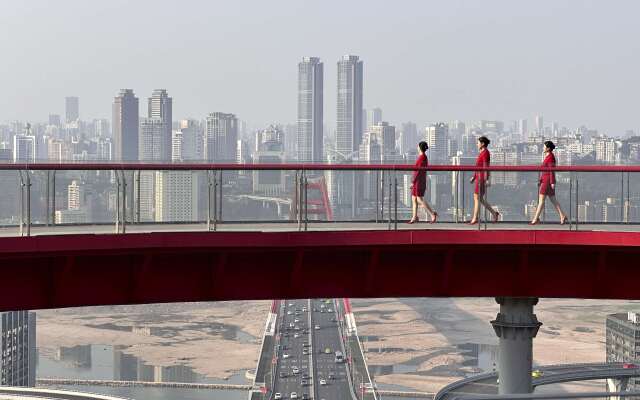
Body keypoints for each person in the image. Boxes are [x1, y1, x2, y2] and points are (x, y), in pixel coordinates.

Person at [530, 141, 568, 225]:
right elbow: (545, 170)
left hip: (547, 182)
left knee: (541, 201)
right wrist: (540, 180)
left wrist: (552, 182)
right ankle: (562, 215)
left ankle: (535, 219)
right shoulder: (548, 156)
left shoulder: (550, 157)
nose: (543, 148)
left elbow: (551, 170)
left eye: (544, 147)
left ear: (548, 148)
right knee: (553, 200)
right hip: (546, 180)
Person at [469, 136, 500, 225]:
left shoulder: (485, 153)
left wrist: (486, 179)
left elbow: (486, 167)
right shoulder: (482, 152)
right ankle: (494, 213)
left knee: (477, 197)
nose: (477, 144)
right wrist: (474, 177)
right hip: (478, 177)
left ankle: (475, 218)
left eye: (478, 142)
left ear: (482, 144)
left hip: (481, 178)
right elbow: (478, 166)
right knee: (479, 198)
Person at [408, 141, 438, 224]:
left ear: (419, 147)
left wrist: (413, 182)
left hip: (419, 182)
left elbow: (418, 171)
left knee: (419, 199)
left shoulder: (422, 158)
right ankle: (414, 217)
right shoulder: (423, 157)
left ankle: (432, 214)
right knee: (414, 198)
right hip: (419, 180)